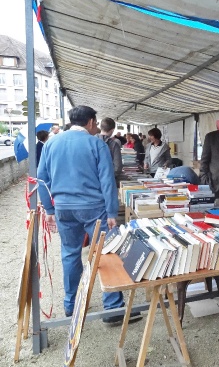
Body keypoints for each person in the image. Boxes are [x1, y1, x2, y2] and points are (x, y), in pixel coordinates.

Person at [37, 105, 141, 324]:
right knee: (105, 253)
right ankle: (112, 308)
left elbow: (42, 178)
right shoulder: (97, 144)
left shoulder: (52, 143)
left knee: (70, 253)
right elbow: (107, 180)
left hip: (64, 208)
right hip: (94, 208)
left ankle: (71, 305)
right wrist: (112, 211)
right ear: (92, 122)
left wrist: (49, 209)